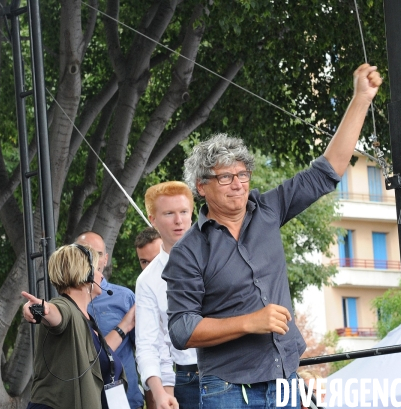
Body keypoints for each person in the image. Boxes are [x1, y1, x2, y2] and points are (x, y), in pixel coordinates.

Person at [163, 64, 382, 408]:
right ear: (201, 186)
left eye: (243, 173)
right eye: (226, 177)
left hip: (285, 383)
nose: (238, 183)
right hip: (228, 389)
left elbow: (327, 170)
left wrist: (361, 98)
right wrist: (250, 322)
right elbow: (181, 330)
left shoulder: (268, 210)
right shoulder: (188, 251)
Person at [21, 244, 129, 409]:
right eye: (96, 269)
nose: (101, 275)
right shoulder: (64, 307)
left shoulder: (86, 318)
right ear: (86, 275)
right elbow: (56, 314)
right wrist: (41, 309)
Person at [135, 181, 199, 409]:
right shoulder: (147, 281)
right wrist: (160, 393)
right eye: (169, 213)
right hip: (190, 380)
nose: (178, 220)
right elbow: (148, 344)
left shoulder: (218, 255)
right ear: (152, 219)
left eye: (183, 212)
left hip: (237, 370)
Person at [76, 231, 145, 409]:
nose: (92, 259)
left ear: (105, 259)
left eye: (97, 254)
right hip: (87, 401)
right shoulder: (66, 303)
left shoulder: (125, 297)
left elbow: (146, 349)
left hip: (126, 399)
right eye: (85, 252)